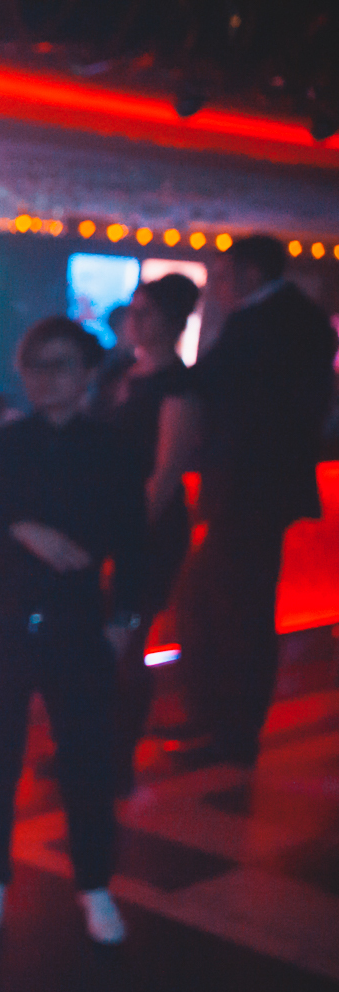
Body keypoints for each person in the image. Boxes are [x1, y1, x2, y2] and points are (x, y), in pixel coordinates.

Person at [0, 318, 147, 946]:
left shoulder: (113, 449)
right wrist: (22, 529)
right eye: (36, 365)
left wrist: (122, 625)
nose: (45, 377)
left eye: (61, 364)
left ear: (89, 372)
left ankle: (94, 884)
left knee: (87, 760)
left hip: (78, 624)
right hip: (4, 622)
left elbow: (135, 545)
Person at [174, 235, 338, 768]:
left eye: (222, 277)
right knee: (226, 605)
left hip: (248, 489)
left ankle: (229, 731)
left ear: (248, 274)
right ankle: (221, 723)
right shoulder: (302, 319)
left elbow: (212, 385)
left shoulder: (260, 323)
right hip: (265, 489)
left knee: (233, 610)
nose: (216, 289)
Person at [99, 274, 206, 790]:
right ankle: (89, 749)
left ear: (169, 320)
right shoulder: (122, 372)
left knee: (129, 639)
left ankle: (117, 757)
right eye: (133, 310)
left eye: (144, 312)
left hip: (147, 533)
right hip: (112, 526)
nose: (133, 320)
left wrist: (123, 536)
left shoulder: (177, 384)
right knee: (99, 641)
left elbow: (166, 474)